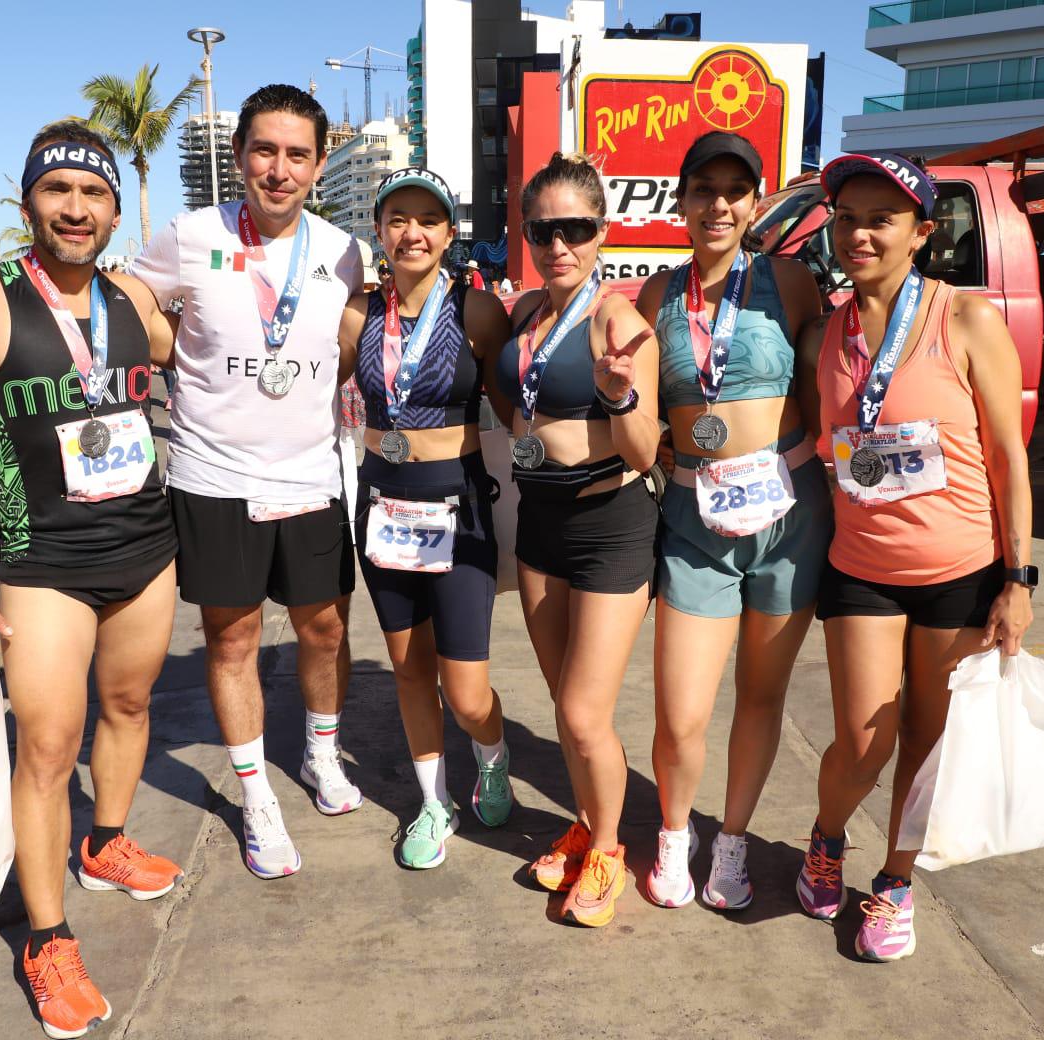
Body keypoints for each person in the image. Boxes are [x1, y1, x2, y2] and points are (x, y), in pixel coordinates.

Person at [0, 120, 184, 1039]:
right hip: (44, 565)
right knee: (45, 744)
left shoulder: (133, 304)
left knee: (130, 704)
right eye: (58, 192)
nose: (76, 209)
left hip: (146, 547)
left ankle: (105, 842)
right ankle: (47, 939)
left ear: (115, 209)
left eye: (94, 195)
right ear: (28, 201)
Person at [794, 152, 1034, 962]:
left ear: (922, 233)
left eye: (880, 219)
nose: (858, 233)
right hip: (861, 566)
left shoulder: (965, 320)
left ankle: (895, 882)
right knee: (864, 739)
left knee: (931, 743)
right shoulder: (826, 331)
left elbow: (1009, 454)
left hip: (960, 573)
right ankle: (827, 838)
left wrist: (1019, 578)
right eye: (847, 216)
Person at [129, 84, 365, 880]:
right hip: (214, 476)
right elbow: (130, 294)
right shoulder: (190, 236)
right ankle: (256, 795)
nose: (279, 169)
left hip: (311, 475)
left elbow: (354, 333)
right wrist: (163, 342)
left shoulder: (340, 250)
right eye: (264, 151)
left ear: (319, 164)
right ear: (239, 158)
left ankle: (321, 755)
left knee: (324, 632)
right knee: (231, 641)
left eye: (297, 154)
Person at [634, 131, 831, 912]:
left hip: (790, 512)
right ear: (678, 200)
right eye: (702, 188)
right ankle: (674, 836)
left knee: (760, 695)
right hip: (693, 518)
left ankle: (734, 843)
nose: (718, 204)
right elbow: (641, 415)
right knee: (681, 711)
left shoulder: (789, 281)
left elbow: (825, 392)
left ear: (755, 201)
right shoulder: (655, 295)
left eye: (734, 189)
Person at [484, 152, 661, 927]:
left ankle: (612, 851)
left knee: (587, 714)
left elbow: (647, 450)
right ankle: (585, 822)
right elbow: (514, 399)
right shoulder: (526, 313)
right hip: (539, 525)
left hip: (608, 528)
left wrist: (620, 392)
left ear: (601, 233)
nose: (559, 244)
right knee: (563, 703)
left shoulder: (615, 322)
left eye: (576, 229)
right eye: (543, 229)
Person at [337, 167, 515, 868]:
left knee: (467, 691)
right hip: (381, 507)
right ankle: (434, 802)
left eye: (428, 220)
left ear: (448, 234)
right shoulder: (358, 313)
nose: (413, 232)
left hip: (458, 507)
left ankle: (492, 758)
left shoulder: (476, 311)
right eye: (398, 219)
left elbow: (523, 394)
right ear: (379, 231)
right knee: (411, 671)